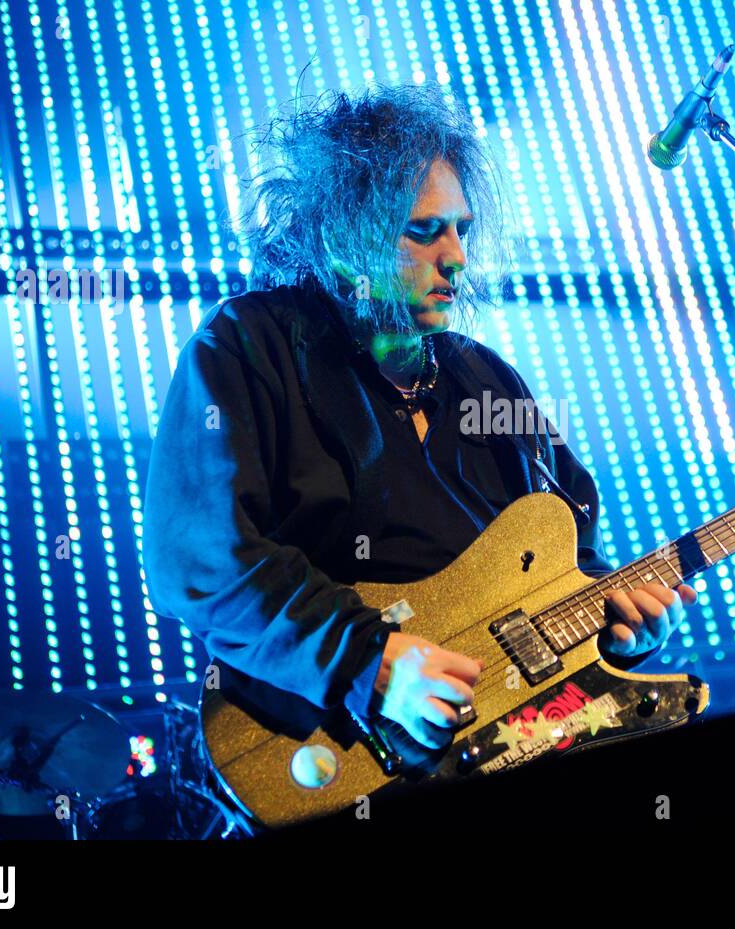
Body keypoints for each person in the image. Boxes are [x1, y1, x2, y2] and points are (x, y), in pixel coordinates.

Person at [142, 82, 696, 753]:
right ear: (349, 236)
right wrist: (370, 663)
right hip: (327, 747)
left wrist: (613, 619)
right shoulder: (248, 346)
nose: (456, 256)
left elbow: (564, 558)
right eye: (424, 230)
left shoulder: (484, 377)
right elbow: (199, 558)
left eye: (461, 229)